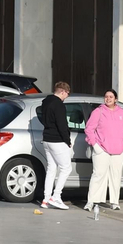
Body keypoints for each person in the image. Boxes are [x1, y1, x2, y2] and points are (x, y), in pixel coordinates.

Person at [85, 89, 123, 213]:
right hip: (102, 149)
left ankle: (114, 202)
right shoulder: (98, 111)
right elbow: (89, 129)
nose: (108, 99)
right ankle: (91, 201)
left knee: (116, 176)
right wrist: (95, 145)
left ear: (115, 99)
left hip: (119, 150)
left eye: (111, 97)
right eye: (106, 96)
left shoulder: (122, 113)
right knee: (98, 175)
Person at [39, 81, 74, 209]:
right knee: (66, 168)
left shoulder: (46, 102)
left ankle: (46, 199)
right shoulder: (58, 105)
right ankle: (56, 196)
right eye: (67, 94)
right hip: (57, 140)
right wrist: (67, 140)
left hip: (47, 139)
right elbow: (62, 124)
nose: (67, 97)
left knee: (51, 168)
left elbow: (43, 119)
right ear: (63, 92)